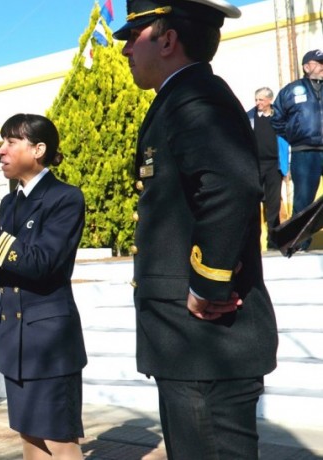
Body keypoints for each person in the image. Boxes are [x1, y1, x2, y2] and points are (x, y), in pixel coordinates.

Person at [113, 1, 278, 458]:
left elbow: (230, 185)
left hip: (205, 340)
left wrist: (208, 283)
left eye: (134, 36)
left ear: (167, 39)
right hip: (190, 344)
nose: (125, 50)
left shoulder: (194, 97)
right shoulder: (179, 97)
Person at [0, 114, 87, 459]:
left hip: (49, 340)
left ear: (38, 149)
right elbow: (7, 269)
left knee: (59, 439)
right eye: (1, 142)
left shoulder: (65, 198)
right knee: (29, 437)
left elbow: (39, 263)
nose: (2, 151)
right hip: (15, 338)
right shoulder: (11, 202)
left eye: (12, 142)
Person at [272, 48, 323, 251]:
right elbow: (277, 119)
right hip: (305, 152)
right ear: (306, 66)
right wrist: (294, 136)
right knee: (303, 198)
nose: (322, 67)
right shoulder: (291, 91)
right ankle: (299, 244)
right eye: (318, 63)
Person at [247, 87, 290, 249]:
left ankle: (272, 241)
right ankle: (253, 241)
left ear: (270, 101)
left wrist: (286, 167)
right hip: (255, 166)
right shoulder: (249, 118)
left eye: (261, 100)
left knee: (273, 205)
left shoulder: (278, 118)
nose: (258, 103)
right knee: (254, 203)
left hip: (274, 166)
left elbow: (286, 142)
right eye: (256, 99)